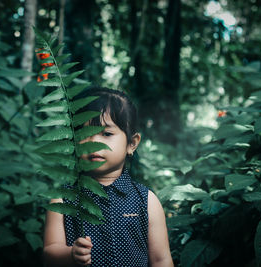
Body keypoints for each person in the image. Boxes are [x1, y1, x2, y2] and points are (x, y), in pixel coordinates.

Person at [43, 87, 174, 267]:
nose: (94, 143)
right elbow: (50, 251)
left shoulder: (146, 200)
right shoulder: (64, 198)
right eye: (85, 133)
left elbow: (161, 260)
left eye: (106, 134)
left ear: (132, 143)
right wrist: (70, 254)